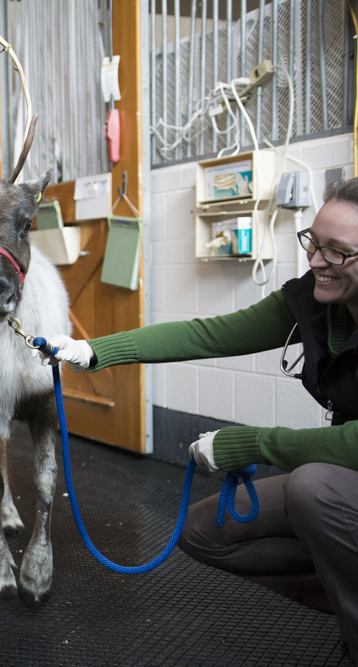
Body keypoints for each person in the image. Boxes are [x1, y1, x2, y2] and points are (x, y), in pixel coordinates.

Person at [40, 178, 358, 660]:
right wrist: (94, 350)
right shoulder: (318, 302)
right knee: (205, 530)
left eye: (336, 252)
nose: (315, 260)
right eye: (313, 240)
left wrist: (249, 445)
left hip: (337, 479)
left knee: (311, 487)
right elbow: (210, 335)